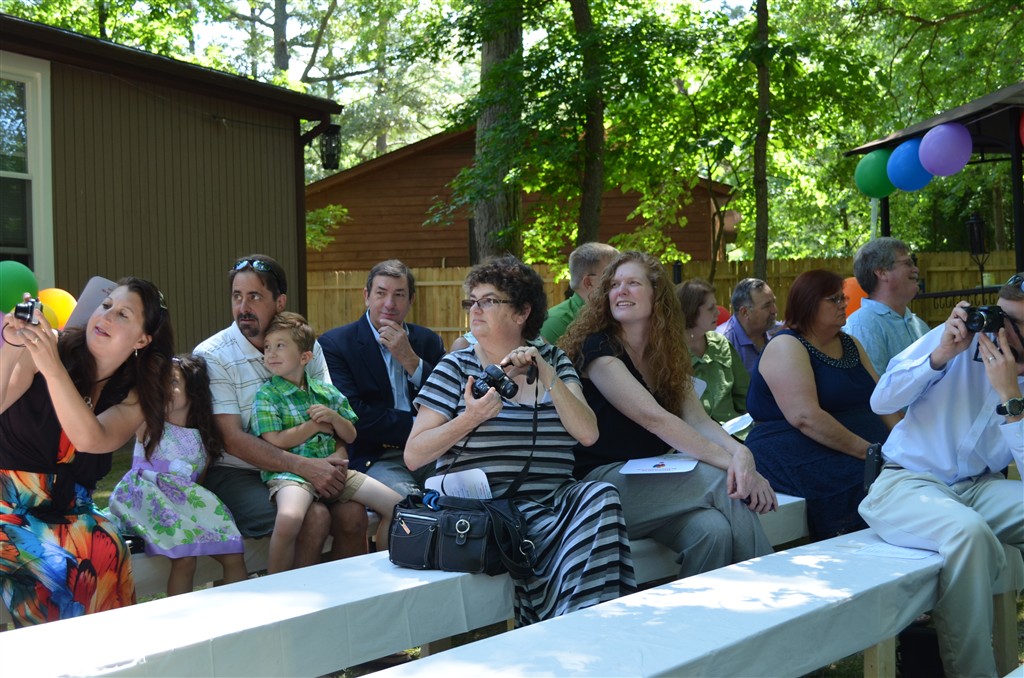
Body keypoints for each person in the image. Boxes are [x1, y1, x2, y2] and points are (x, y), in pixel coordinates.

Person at [405, 255, 635, 625]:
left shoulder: (554, 361)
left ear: (522, 312)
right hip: (492, 510)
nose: (475, 309)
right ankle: (585, 629)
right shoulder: (456, 368)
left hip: (554, 501)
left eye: (488, 301)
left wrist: (544, 372)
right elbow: (414, 455)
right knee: (573, 537)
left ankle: (574, 628)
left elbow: (588, 433)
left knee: (601, 495)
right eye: (471, 301)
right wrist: (471, 418)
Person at [562, 252, 776, 580]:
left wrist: (742, 454)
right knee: (723, 482)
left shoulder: (666, 354)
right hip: (601, 486)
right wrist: (734, 466)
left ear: (656, 294)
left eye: (633, 283)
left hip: (654, 480)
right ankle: (772, 588)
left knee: (713, 531)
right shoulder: (597, 349)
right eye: (614, 285)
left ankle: (706, 613)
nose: (621, 291)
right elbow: (656, 420)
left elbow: (699, 421)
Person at [859, 275, 1024, 678]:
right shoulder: (957, 341)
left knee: (971, 529)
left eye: (1015, 322)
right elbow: (881, 400)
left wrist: (1010, 398)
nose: (1001, 329)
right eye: (1000, 315)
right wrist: (940, 355)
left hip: (980, 486)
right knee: (968, 533)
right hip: (907, 481)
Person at [1, 277, 173, 625]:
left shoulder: (136, 393)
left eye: (123, 314)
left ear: (142, 339)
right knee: (55, 569)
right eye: (106, 306)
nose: (106, 316)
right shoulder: (48, 346)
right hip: (6, 506)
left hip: (71, 510)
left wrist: (52, 368)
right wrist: (11, 345)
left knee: (110, 548)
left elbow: (90, 439)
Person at [195, 254, 367, 563]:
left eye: (254, 296)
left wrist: (337, 460)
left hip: (310, 459)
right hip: (238, 471)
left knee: (353, 515)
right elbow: (231, 439)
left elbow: (331, 409)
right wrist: (305, 468)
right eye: (237, 296)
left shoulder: (305, 347)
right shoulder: (214, 355)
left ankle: (343, 595)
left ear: (280, 301)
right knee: (314, 517)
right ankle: (290, 594)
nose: (243, 307)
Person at [745, 270, 899, 541]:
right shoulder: (787, 345)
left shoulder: (850, 343)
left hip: (857, 446)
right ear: (808, 304)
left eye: (843, 298)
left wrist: (906, 442)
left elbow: (881, 401)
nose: (843, 304)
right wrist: (872, 454)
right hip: (794, 450)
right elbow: (806, 418)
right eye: (834, 299)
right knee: (866, 479)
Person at [251, 312, 401, 573]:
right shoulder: (267, 395)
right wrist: (314, 426)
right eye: (267, 347)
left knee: (397, 506)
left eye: (280, 346)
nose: (271, 353)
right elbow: (274, 440)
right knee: (289, 518)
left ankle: (386, 574)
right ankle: (275, 585)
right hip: (292, 475)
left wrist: (334, 418)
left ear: (305, 357)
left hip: (334, 471)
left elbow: (351, 435)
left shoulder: (325, 392)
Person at [106, 354, 247, 596]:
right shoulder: (148, 424)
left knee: (233, 553)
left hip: (182, 505)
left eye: (172, 382)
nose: (163, 389)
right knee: (185, 558)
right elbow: (129, 383)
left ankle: (237, 611)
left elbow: (196, 486)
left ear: (193, 390)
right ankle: (183, 617)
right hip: (145, 499)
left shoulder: (203, 437)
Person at [319, 259, 445, 497]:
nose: (389, 304)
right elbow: (352, 413)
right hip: (375, 456)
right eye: (381, 293)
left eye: (399, 295)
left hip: (430, 454)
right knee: (407, 502)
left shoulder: (428, 341)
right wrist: (418, 426)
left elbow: (448, 400)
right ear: (366, 296)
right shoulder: (335, 344)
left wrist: (410, 360)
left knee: (461, 495)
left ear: (411, 300)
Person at [842, 238, 929, 375]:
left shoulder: (919, 325)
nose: (916, 269)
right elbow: (875, 387)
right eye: (908, 263)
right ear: (882, 273)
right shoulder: (864, 326)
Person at [677, 278, 750, 431]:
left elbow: (744, 397)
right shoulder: (670, 353)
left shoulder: (721, 343)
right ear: (691, 311)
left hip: (735, 432)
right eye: (711, 308)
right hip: (693, 437)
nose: (718, 312)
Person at [539, 242, 619, 345]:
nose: (620, 282)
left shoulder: (615, 314)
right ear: (588, 282)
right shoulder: (555, 323)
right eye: (611, 275)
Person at [717, 277, 780, 375]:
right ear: (745, 312)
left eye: (774, 302)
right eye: (767, 306)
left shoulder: (779, 332)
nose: (774, 310)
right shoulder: (721, 345)